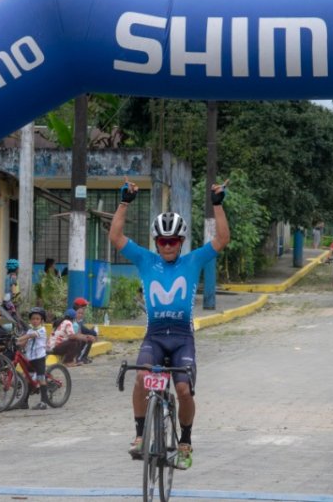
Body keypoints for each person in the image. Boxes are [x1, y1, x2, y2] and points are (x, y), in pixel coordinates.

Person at [110, 176, 231, 471]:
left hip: (181, 339)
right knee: (141, 379)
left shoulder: (192, 261)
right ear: (156, 242)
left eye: (173, 241)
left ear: (181, 242)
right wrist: (124, 202)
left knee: (184, 391)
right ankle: (140, 436)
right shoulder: (144, 259)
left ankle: (185, 441)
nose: (167, 246)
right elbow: (116, 237)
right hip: (154, 337)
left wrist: (218, 205)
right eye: (163, 241)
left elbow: (221, 239)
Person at [16, 307, 50, 410]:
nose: (35, 321)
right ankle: (24, 402)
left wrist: (18, 339)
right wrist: (17, 343)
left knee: (41, 378)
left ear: (42, 320)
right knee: (28, 380)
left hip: (39, 358)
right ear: (30, 320)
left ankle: (44, 402)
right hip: (30, 358)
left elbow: (29, 336)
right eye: (33, 319)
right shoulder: (30, 329)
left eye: (37, 319)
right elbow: (24, 341)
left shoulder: (41, 330)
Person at [71, 297, 98, 364]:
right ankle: (81, 358)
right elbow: (82, 329)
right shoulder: (74, 318)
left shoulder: (78, 317)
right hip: (73, 340)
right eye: (84, 306)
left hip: (76, 338)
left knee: (89, 335)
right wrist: (93, 333)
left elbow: (83, 329)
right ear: (80, 307)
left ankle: (83, 356)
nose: (85, 308)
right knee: (89, 338)